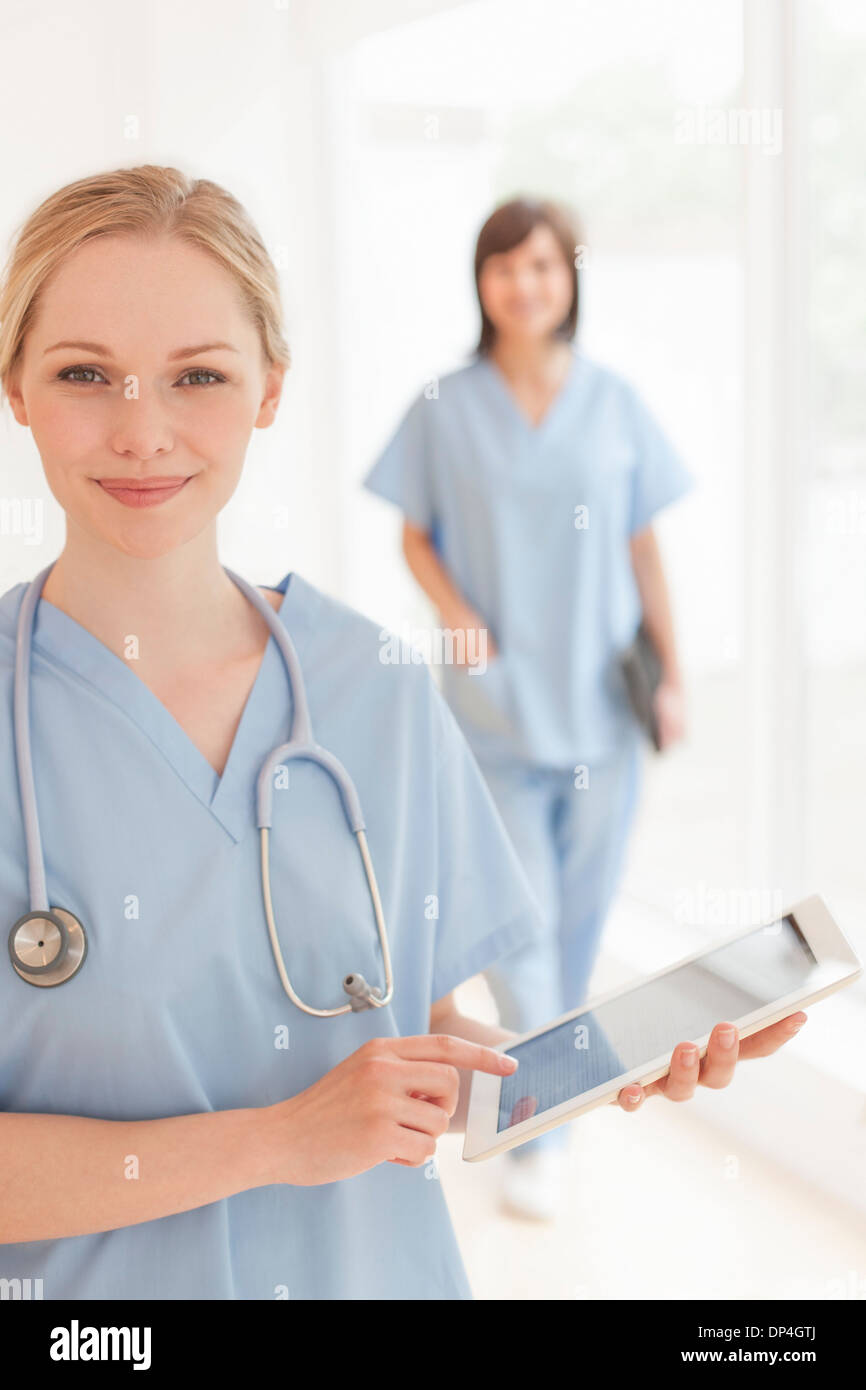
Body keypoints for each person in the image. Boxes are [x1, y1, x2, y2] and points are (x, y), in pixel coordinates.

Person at [0, 168, 805, 1302]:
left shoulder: (372, 686)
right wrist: (282, 1137)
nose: (143, 430)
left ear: (270, 389)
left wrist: (599, 1068)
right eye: (86, 373)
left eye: (199, 375)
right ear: (15, 387)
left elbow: (420, 1037)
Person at [364, 197, 694, 1219]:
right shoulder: (443, 406)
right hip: (496, 711)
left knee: (579, 920)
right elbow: (411, 532)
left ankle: (542, 1106)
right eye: (503, 266)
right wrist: (455, 611)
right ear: (480, 284)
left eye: (542, 266)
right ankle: (538, 1128)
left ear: (568, 281)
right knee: (523, 928)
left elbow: (643, 545)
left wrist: (672, 673)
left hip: (599, 709)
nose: (524, 284)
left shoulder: (615, 402)